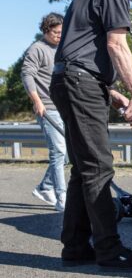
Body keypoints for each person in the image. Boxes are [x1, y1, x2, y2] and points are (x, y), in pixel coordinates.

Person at [49, 0, 132, 271]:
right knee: (98, 167)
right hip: (79, 82)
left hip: (74, 81)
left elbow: (78, 51)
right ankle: (110, 251)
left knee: (85, 168)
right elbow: (116, 45)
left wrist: (110, 93)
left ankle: (76, 247)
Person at [21, 13, 68, 212]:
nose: (59, 35)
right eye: (56, 32)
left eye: (61, 32)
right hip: (47, 107)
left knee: (67, 154)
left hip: (63, 107)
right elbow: (27, 75)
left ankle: (45, 187)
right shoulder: (36, 49)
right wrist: (37, 101)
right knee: (58, 151)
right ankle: (61, 198)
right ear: (46, 30)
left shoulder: (62, 49)